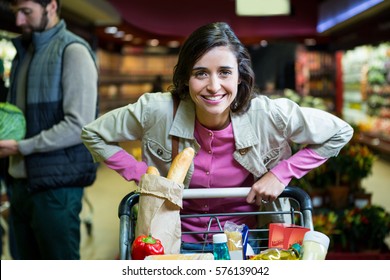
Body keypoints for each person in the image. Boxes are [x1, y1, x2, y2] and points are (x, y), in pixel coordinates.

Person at [81, 22, 353, 251]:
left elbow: (340, 131)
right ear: (186, 78)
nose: (213, 86)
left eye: (224, 72)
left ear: (239, 76)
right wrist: (143, 174)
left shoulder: (268, 114)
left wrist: (282, 173)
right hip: (173, 241)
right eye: (201, 73)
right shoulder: (157, 111)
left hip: (248, 242)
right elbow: (93, 134)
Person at [0, 0, 98, 259]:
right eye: (15, 13)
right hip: (20, 184)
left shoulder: (73, 51)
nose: (19, 21)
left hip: (56, 188)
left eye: (26, 12)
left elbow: (79, 125)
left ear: (51, 6)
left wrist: (21, 147)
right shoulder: (26, 52)